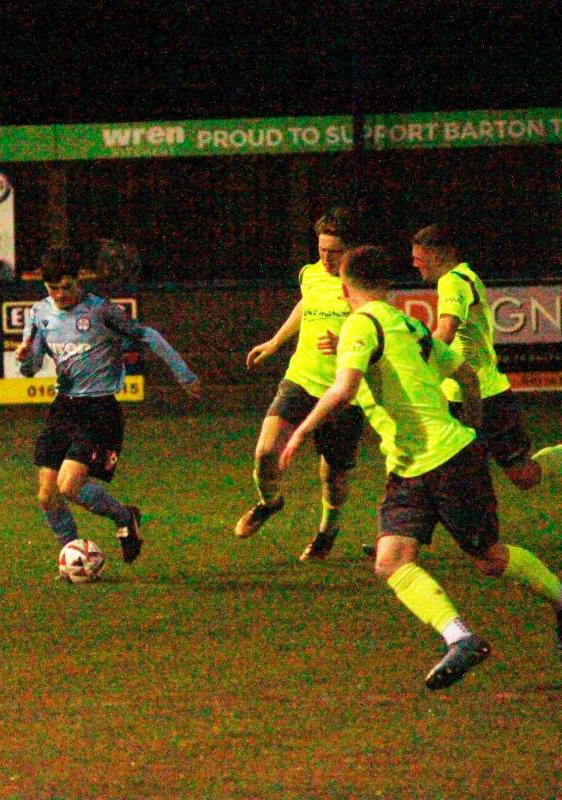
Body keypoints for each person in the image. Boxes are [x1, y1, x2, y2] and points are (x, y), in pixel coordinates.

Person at [280, 244, 562, 690]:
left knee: (490, 558)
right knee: (391, 561)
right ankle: (461, 639)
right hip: (411, 466)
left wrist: (300, 431)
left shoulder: (361, 323)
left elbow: (344, 389)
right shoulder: (407, 325)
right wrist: (471, 424)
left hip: (444, 461)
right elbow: (465, 374)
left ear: (345, 288)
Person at [16, 246, 201, 566]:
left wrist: (184, 374)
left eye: (66, 287)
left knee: (69, 486)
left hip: (100, 409)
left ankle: (124, 517)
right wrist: (25, 357)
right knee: (47, 494)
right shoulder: (38, 314)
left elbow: (148, 335)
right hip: (64, 407)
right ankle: (74, 557)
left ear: (79, 280)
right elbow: (30, 368)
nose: (60, 294)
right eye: (52, 288)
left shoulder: (101, 311)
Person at [235, 207, 366, 561]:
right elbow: (306, 305)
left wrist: (347, 344)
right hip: (302, 379)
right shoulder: (310, 274)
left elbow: (377, 328)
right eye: (321, 249)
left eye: (334, 251)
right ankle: (269, 502)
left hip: (344, 392)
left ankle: (327, 532)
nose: (326, 257)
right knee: (266, 452)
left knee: (333, 478)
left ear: (351, 250)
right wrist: (275, 342)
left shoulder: (362, 284)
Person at [410, 224, 562, 488]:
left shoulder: (453, 281)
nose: (415, 265)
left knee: (524, 476)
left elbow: (446, 331)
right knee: (451, 475)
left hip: (485, 396)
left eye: (418, 259)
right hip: (457, 395)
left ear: (437, 255)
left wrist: (412, 361)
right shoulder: (462, 277)